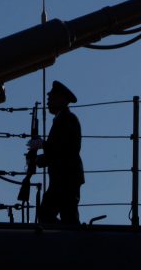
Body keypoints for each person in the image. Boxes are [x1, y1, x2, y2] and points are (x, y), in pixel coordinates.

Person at [28, 80, 85, 224]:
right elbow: (57, 153)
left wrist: (43, 145)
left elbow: (67, 149)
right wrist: (38, 160)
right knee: (66, 216)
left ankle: (75, 240)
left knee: (50, 214)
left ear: (61, 99)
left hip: (66, 177)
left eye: (51, 98)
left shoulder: (68, 119)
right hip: (63, 177)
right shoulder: (61, 119)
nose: (48, 101)